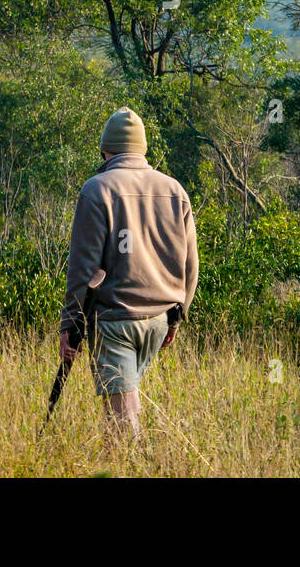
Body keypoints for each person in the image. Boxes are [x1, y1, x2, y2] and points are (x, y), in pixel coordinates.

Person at [59, 107, 198, 436]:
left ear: (106, 150)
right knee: (126, 405)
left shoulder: (97, 189)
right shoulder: (175, 191)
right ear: (142, 148)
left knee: (122, 422)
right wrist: (177, 316)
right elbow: (191, 264)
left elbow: (83, 268)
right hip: (159, 320)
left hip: (115, 319)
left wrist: (70, 323)